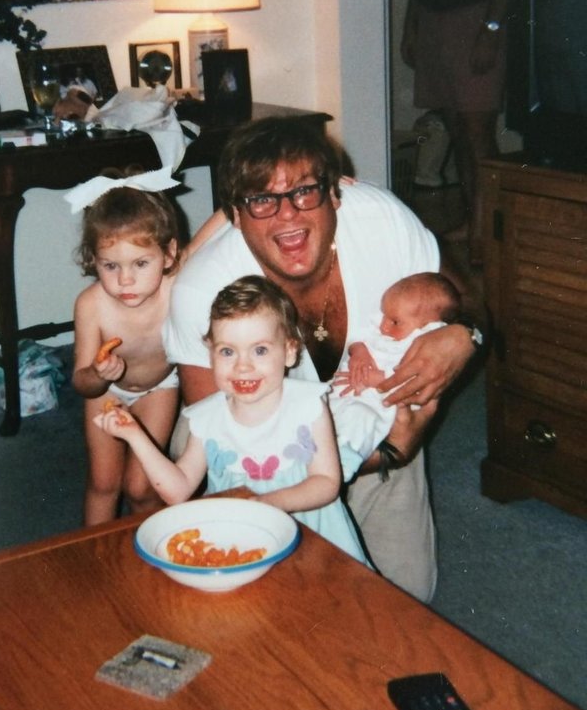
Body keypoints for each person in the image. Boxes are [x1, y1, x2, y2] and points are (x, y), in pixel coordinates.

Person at [164, 116, 485, 603]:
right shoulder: (204, 289)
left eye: (304, 192)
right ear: (233, 214)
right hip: (253, 438)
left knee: (405, 599)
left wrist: (466, 337)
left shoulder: (381, 221)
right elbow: (220, 428)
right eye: (261, 200)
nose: (287, 217)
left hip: (369, 413)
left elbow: (470, 300)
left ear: (335, 193)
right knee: (276, 596)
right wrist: (392, 451)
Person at [95, 275, 367, 564]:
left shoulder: (306, 405)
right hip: (242, 539)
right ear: (210, 353)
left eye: (260, 350)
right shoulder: (207, 417)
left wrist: (265, 504)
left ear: (289, 351)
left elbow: (326, 482)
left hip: (312, 541)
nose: (243, 366)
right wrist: (135, 435)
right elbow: (178, 489)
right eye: (227, 351)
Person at [400, 0, 514, 266]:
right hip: (434, 15)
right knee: (456, 127)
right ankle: (472, 220)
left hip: (477, 16)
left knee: (477, 130)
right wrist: (411, 25)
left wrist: (492, 27)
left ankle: (490, 232)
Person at [66, 169, 182, 526]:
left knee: (142, 487)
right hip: (107, 393)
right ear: (93, 259)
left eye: (140, 263)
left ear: (169, 254)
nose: (125, 279)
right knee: (104, 482)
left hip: (159, 389)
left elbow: (213, 239)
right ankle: (96, 564)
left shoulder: (176, 285)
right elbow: (81, 384)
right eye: (111, 265)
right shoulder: (91, 304)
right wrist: (98, 375)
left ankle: (160, 550)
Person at [331, 272, 462, 481]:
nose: (383, 326)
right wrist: (359, 352)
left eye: (394, 322)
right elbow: (359, 337)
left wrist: (374, 379)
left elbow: (410, 382)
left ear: (430, 327)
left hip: (376, 408)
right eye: (384, 315)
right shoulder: (387, 324)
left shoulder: (418, 348)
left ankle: (344, 461)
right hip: (342, 392)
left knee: (358, 420)